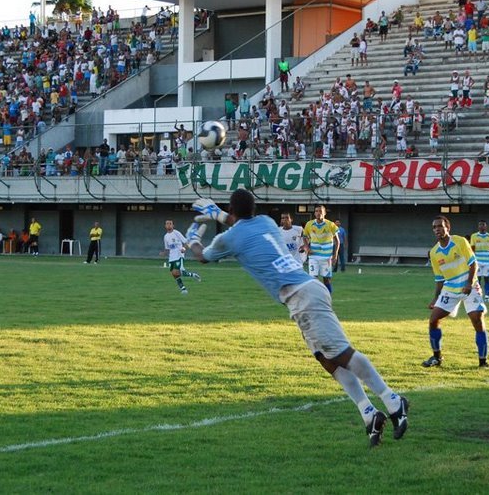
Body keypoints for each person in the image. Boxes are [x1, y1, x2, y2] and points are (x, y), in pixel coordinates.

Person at [187, 191, 409, 447]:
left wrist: (193, 238)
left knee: (342, 354)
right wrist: (221, 214)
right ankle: (369, 414)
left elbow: (202, 255)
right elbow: (240, 223)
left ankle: (393, 400)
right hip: (304, 294)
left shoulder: (230, 238)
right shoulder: (266, 222)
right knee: (328, 360)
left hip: (302, 296)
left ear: (231, 209)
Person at [424, 216, 489, 369]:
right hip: (450, 289)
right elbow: (439, 279)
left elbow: (473, 263)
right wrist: (435, 298)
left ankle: (483, 362)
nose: (437, 229)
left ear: (448, 227)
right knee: (433, 320)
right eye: (434, 227)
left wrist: (469, 282)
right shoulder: (434, 253)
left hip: (470, 286)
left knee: (477, 319)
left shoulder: (460, 241)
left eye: (440, 226)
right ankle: (437, 357)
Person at [303, 206, 340, 294]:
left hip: (326, 257)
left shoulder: (331, 225)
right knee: (313, 279)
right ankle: (316, 298)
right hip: (313, 256)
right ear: (314, 213)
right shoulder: (309, 224)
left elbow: (337, 241)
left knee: (326, 280)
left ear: (324, 213)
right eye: (316, 211)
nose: (318, 213)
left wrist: (335, 255)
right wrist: (307, 248)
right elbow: (304, 237)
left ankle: (328, 299)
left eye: (320, 211)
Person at [162, 220, 201, 294]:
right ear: (165, 226)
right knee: (175, 274)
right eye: (167, 224)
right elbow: (167, 248)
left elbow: (186, 242)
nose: (168, 225)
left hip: (179, 255)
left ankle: (183, 289)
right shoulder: (165, 236)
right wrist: (164, 253)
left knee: (176, 272)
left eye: (170, 224)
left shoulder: (176, 233)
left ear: (173, 225)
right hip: (171, 257)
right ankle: (193, 275)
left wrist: (183, 249)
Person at [470, 220, 489, 302]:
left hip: (487, 261)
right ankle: (479, 295)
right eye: (480, 224)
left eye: (483, 225)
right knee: (478, 279)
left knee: (487, 279)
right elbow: (472, 250)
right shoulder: (474, 236)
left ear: (486, 226)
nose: (481, 226)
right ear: (478, 226)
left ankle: (487, 297)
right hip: (478, 261)